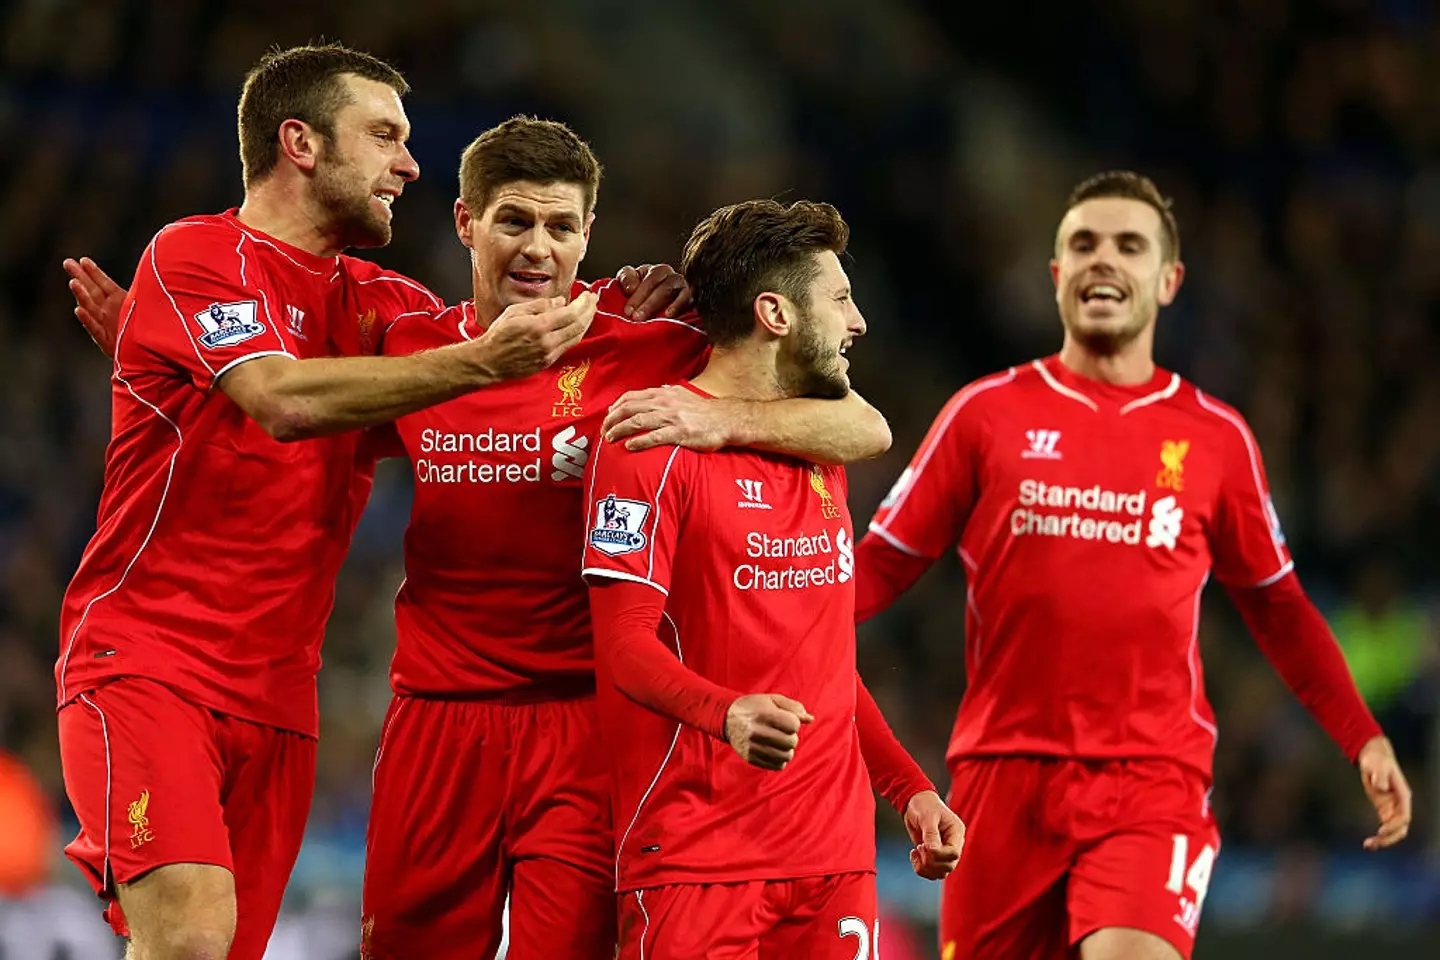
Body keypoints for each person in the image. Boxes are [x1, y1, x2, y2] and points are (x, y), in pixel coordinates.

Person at [70, 118, 896, 958]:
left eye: (562, 226)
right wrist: (158, 347)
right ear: (467, 223)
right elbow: (295, 408)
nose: (539, 248)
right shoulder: (412, 346)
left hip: (578, 728)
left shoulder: (653, 345)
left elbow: (862, 426)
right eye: (515, 221)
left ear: (588, 236)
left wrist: (720, 417)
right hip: (436, 722)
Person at [55, 45, 599, 960]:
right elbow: (282, 399)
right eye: (384, 136)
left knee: (224, 952)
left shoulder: (389, 308)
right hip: (148, 662)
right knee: (189, 936)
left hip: (279, 700)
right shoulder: (198, 254)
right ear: (299, 142)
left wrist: (631, 307)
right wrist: (477, 363)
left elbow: (486, 407)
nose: (409, 165)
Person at [855, 171, 1413, 960]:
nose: (1102, 261)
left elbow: (1279, 609)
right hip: (1000, 780)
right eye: (1082, 244)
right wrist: (766, 618)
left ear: (1169, 279)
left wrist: (1362, 736)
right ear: (1056, 276)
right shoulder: (984, 415)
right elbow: (879, 568)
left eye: (1129, 245)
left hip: (1150, 779)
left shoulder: (1216, 438)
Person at [583, 198, 965, 959]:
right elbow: (622, 646)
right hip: (697, 856)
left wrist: (909, 789)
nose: (857, 323)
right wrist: (725, 714)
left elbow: (826, 662)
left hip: (833, 858)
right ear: (776, 313)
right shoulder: (647, 440)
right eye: (840, 300)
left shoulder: (819, 441)